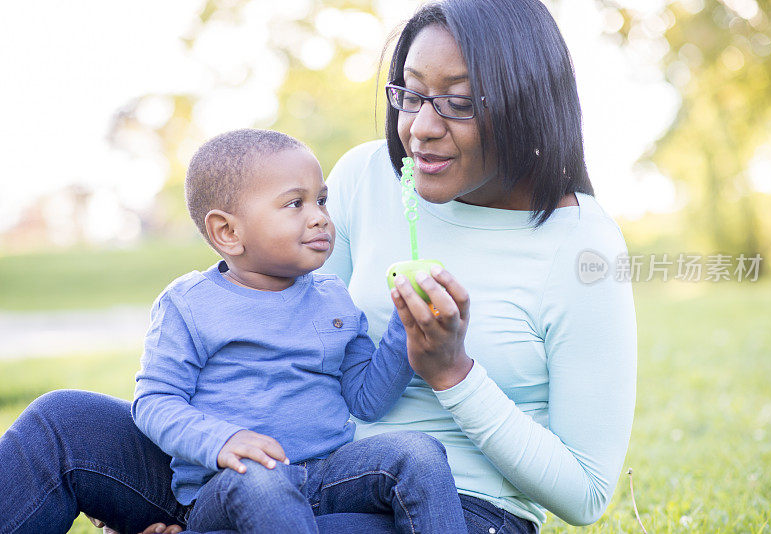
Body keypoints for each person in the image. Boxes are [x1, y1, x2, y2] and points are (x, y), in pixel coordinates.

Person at [0, 1, 636, 533]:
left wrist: (450, 373)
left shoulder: (583, 247)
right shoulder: (367, 175)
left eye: (458, 102)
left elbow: (584, 494)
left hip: (452, 507)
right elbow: (270, 309)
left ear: (528, 102)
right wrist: (202, 450)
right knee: (63, 426)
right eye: (410, 94)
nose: (419, 129)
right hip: (275, 464)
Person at [128, 128, 468, 533]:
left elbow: (366, 399)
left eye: (321, 200)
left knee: (419, 453)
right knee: (262, 478)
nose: (320, 216)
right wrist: (222, 440)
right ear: (228, 232)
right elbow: (154, 401)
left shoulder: (332, 297)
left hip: (327, 472)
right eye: (295, 203)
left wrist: (406, 327)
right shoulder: (189, 303)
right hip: (233, 485)